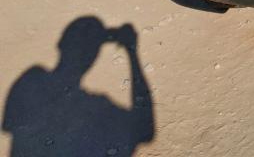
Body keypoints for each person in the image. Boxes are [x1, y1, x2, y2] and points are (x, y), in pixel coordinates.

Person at [3, 17, 154, 156]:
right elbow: (144, 129)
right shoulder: (93, 108)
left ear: (61, 44)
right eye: (84, 45)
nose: (84, 52)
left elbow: (144, 131)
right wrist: (132, 52)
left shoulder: (33, 81)